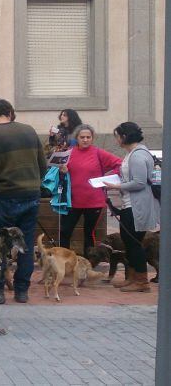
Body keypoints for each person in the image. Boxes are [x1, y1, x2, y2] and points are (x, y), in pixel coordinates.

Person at [0, 99, 47, 304]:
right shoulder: (29, 130)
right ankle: (21, 291)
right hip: (30, 194)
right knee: (25, 243)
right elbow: (42, 165)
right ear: (10, 112)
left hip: (4, 195)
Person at [103, 122, 159, 293]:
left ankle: (141, 281)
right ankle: (132, 278)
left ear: (124, 136)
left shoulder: (138, 155)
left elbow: (140, 182)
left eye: (117, 136)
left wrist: (117, 186)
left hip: (136, 206)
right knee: (128, 241)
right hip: (129, 204)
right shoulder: (132, 154)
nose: (117, 139)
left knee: (134, 242)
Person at [57, 124, 122, 252]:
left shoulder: (99, 153)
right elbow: (58, 173)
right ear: (77, 138)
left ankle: (89, 264)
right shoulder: (68, 153)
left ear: (92, 138)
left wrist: (107, 180)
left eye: (88, 137)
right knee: (65, 231)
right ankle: (63, 261)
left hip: (94, 202)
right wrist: (62, 171)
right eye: (82, 137)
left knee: (89, 233)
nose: (85, 140)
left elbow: (120, 164)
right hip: (72, 201)